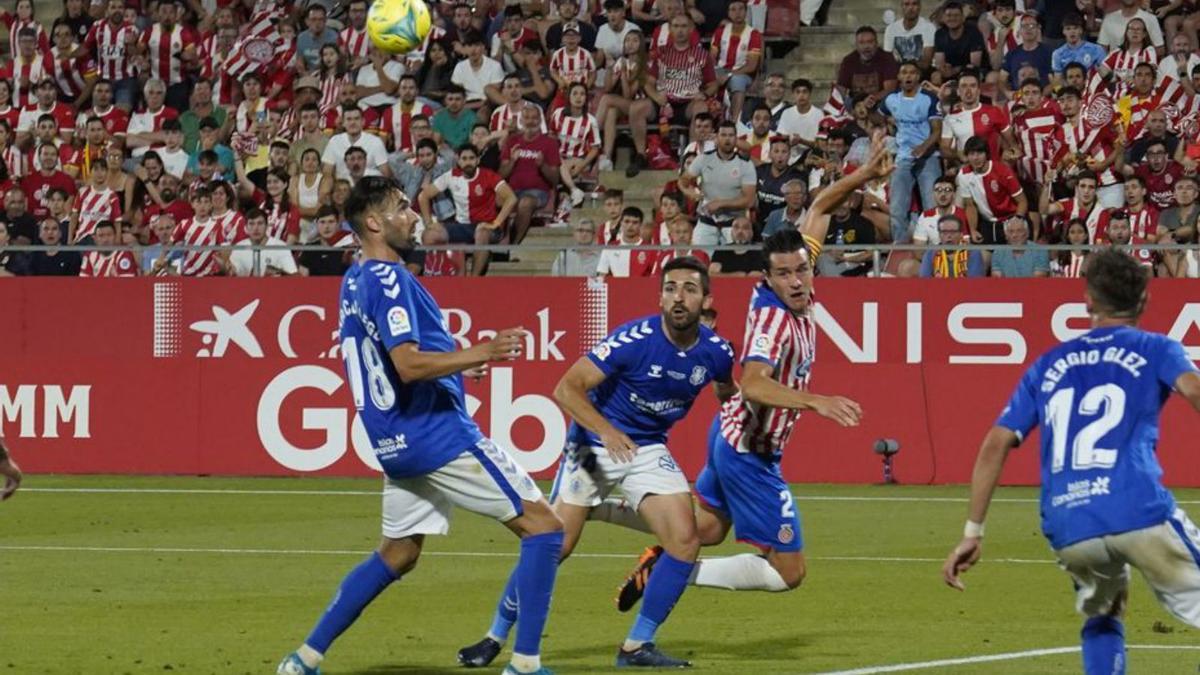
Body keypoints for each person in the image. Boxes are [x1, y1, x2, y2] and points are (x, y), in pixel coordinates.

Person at [276, 176, 563, 675]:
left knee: (400, 553)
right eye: (402, 208)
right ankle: (525, 663)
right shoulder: (389, 278)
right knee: (545, 529)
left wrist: (458, 364)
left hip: (393, 439)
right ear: (374, 222)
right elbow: (407, 365)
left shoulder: (355, 278)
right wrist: (483, 351)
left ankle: (303, 658)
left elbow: (390, 362)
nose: (414, 216)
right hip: (436, 435)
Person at [612, 135, 891, 613]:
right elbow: (755, 383)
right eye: (785, 274)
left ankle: (604, 511)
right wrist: (816, 401)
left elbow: (822, 204)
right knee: (789, 571)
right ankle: (674, 570)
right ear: (767, 278)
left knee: (706, 530)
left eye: (802, 269)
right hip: (750, 452)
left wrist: (864, 175)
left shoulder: (798, 274)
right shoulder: (771, 321)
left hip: (730, 434)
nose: (798, 281)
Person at [457, 255, 735, 670]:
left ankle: (636, 646)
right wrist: (606, 430)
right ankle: (495, 636)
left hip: (647, 448)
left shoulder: (717, 353)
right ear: (660, 297)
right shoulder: (633, 340)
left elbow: (727, 391)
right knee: (555, 545)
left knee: (687, 539)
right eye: (671, 288)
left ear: (705, 301)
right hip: (593, 444)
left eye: (690, 289)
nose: (679, 297)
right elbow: (566, 389)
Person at [942, 249, 1200, 675]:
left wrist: (973, 531)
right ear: (1144, 302)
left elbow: (995, 443)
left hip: (1069, 521)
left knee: (1103, 613)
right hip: (1137, 507)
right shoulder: (1156, 347)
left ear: (1088, 301)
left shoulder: (1048, 364)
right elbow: (1192, 390)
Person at [879, 60, 941, 243]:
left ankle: (935, 246)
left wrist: (924, 147)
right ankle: (899, 247)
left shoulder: (929, 98)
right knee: (897, 207)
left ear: (918, 77)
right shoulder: (891, 99)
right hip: (903, 157)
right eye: (904, 72)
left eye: (912, 72)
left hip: (928, 157)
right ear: (898, 76)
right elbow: (879, 115)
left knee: (932, 206)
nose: (908, 76)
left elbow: (937, 130)